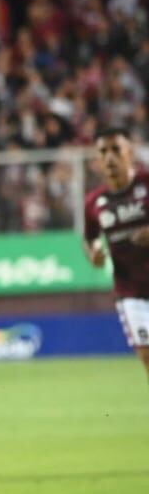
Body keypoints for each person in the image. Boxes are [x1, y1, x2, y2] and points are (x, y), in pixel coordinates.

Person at [83, 126, 149, 380]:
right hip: (130, 293)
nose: (109, 157)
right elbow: (90, 239)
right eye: (103, 152)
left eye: (115, 149)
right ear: (98, 160)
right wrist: (94, 254)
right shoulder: (94, 203)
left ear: (129, 153)